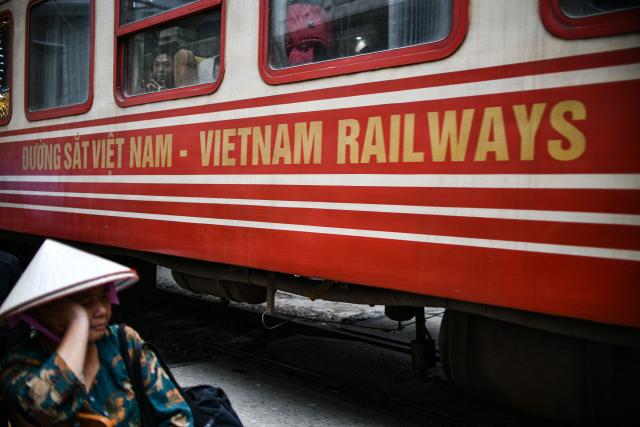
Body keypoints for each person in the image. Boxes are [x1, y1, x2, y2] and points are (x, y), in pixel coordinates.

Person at [0, 240, 193, 426]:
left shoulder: (123, 341)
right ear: (45, 311)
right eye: (84, 302)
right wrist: (79, 322)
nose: (100, 310)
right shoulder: (17, 366)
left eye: (103, 296)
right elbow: (46, 409)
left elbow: (176, 414)